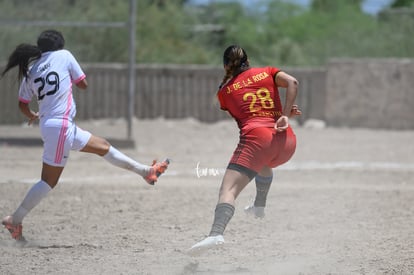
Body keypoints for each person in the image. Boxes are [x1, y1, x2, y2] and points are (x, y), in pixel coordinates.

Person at [1, 29, 170, 242]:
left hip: (54, 125)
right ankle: (15, 220)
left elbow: (22, 104)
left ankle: (146, 172)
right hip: (61, 126)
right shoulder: (64, 55)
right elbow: (83, 83)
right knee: (48, 181)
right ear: (59, 46)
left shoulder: (32, 68)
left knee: (103, 146)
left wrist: (33, 115)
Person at [188, 45, 301, 255]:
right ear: (247, 60)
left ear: (225, 65)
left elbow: (248, 112)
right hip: (286, 141)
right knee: (264, 162)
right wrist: (285, 113)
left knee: (228, 190)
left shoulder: (224, 92)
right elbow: (292, 82)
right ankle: (259, 205)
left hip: (259, 140)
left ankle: (215, 234)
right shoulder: (267, 72)